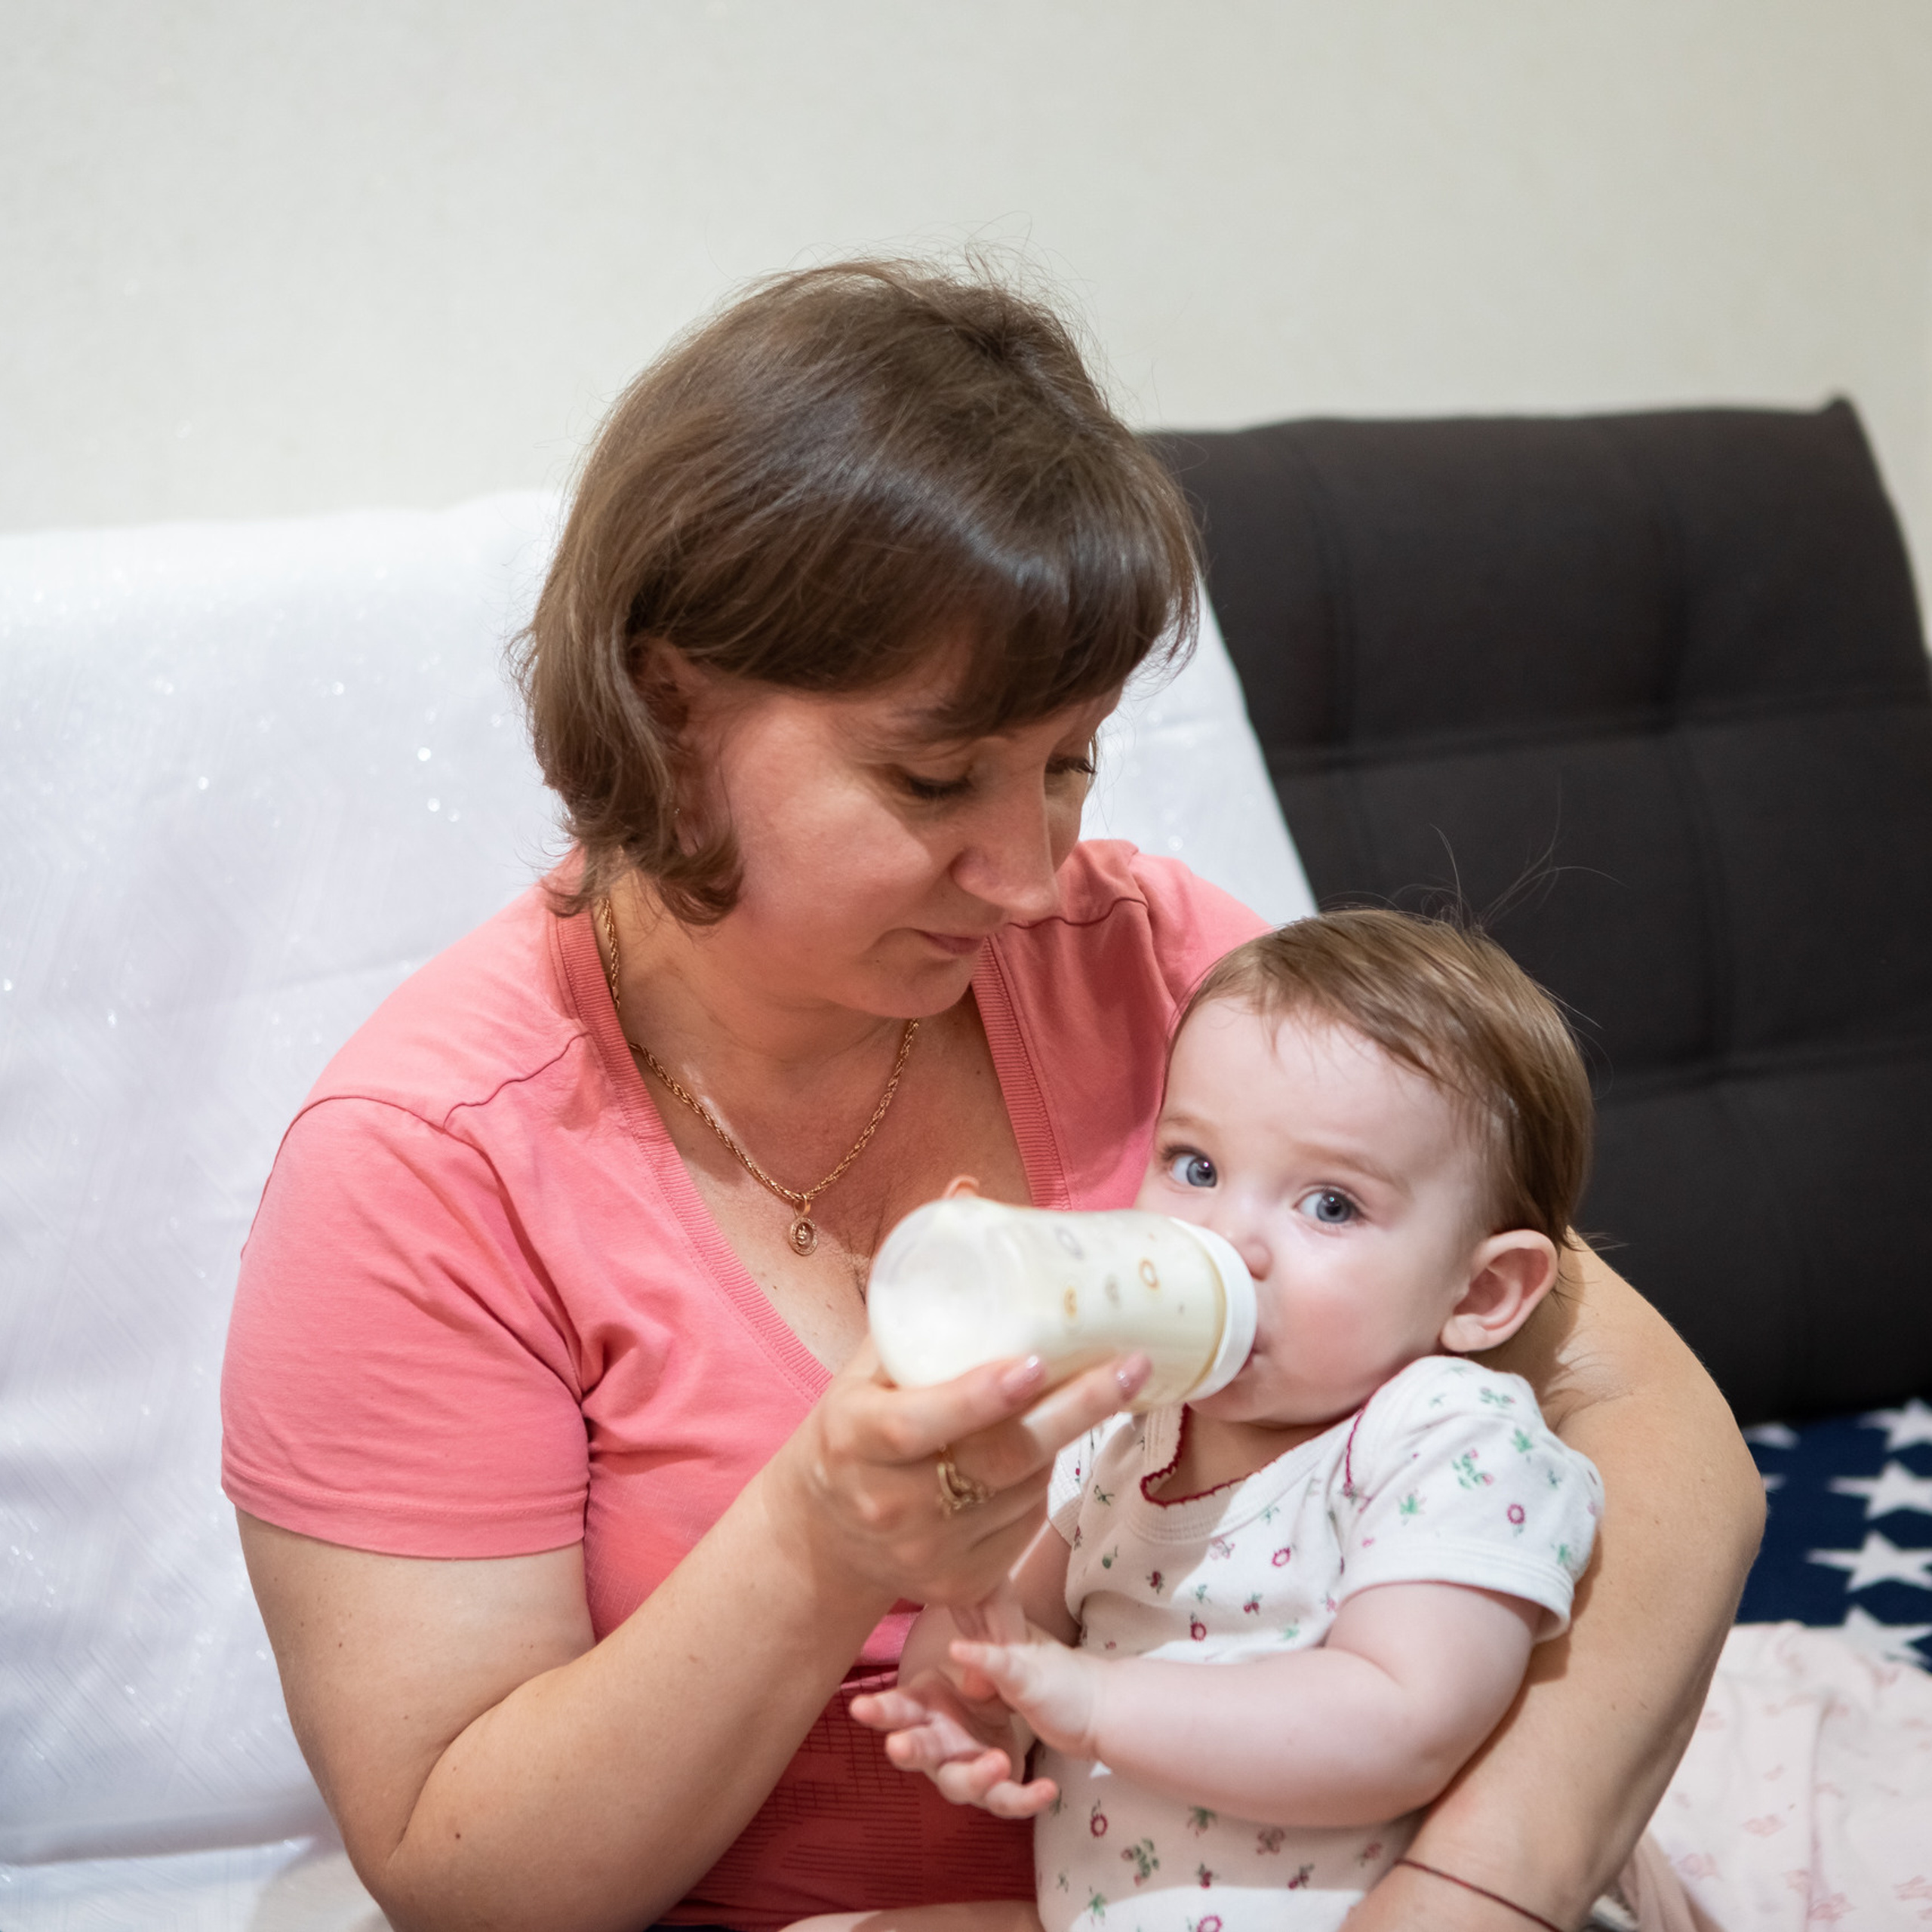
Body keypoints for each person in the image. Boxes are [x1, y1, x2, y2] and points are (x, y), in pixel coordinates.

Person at [220, 260, 1764, 1932]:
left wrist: (1486, 1875)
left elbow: (1661, 1431)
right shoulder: (427, 1167)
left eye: (1071, 757)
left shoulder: (1161, 971)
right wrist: (820, 1542)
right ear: (666, 705)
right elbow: (471, 1876)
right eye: (935, 775)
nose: (1028, 874)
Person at [841, 910, 1605, 1932]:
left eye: (1330, 1205)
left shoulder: (1444, 1437)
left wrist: (1091, 1701)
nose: (1226, 1241)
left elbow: (1399, 1723)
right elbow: (998, 1621)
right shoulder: (1122, 1433)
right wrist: (969, 1695)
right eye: (1195, 1167)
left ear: (1482, 1293)